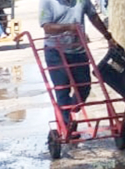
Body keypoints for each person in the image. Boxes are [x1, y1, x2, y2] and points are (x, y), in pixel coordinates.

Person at [39, 0, 116, 137]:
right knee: (62, 88)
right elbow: (46, 27)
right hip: (55, 51)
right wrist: (69, 27)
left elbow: (93, 17)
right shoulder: (47, 2)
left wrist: (107, 36)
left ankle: (70, 111)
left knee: (84, 86)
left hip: (78, 50)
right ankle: (68, 125)